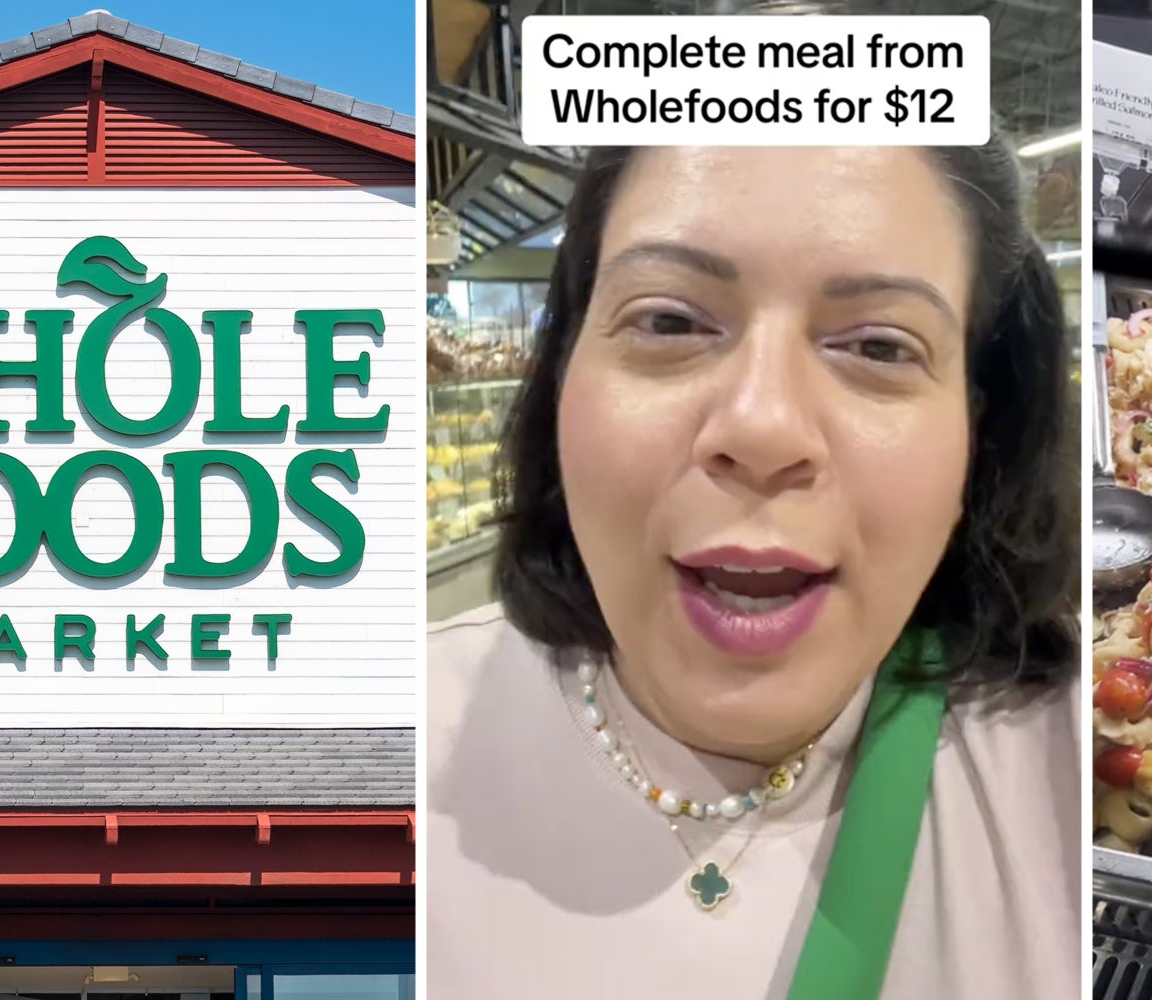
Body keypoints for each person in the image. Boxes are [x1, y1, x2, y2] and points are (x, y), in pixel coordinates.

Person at [426, 140, 1081, 999]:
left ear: (976, 431)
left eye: (880, 347)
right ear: (559, 385)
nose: (762, 428)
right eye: (668, 321)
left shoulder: (1075, 768)